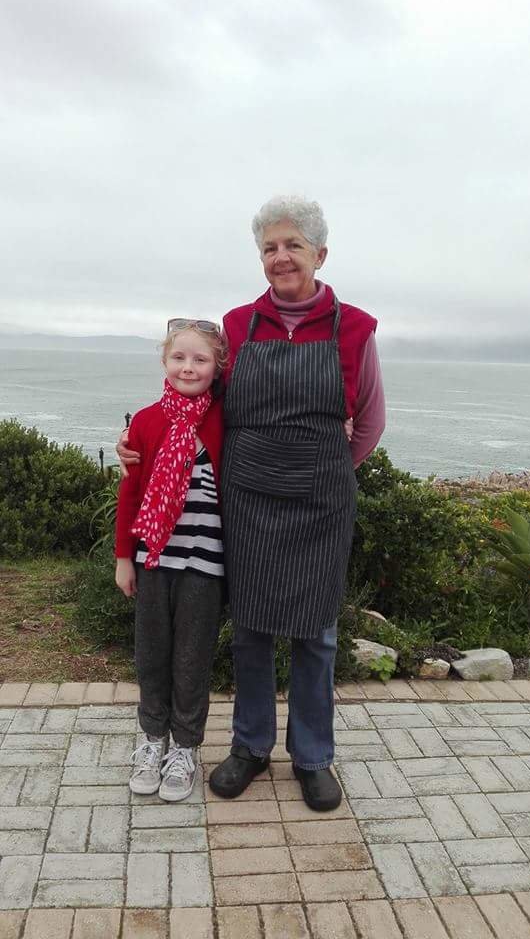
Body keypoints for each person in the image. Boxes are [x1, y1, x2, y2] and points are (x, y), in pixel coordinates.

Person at [119, 195, 385, 811]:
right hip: (248, 501)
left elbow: (370, 419)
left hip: (321, 504)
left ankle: (313, 757)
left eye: (294, 245)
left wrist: (326, 469)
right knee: (252, 630)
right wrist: (140, 442)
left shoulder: (356, 327)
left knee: (316, 634)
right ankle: (250, 747)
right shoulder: (237, 325)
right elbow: (198, 400)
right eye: (270, 247)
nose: (281, 256)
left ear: (320, 254)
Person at [115, 319, 226, 801]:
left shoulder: (225, 419)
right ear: (164, 361)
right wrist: (124, 558)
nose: (188, 367)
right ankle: (152, 738)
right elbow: (130, 492)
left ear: (218, 367)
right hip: (154, 559)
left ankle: (185, 747)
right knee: (152, 656)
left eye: (201, 359)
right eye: (179, 357)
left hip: (206, 564)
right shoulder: (145, 421)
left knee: (192, 659)